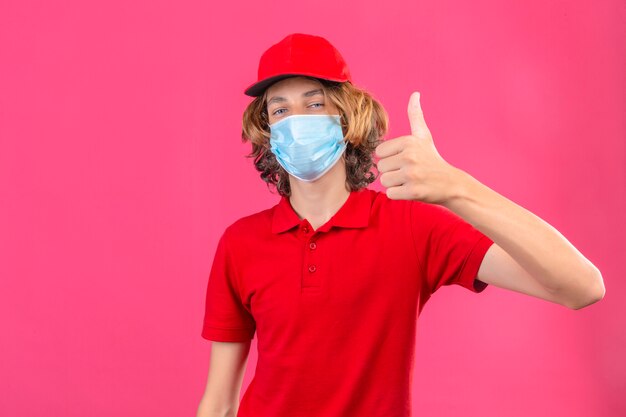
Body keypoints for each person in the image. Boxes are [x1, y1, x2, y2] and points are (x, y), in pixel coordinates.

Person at [196, 33, 605, 417]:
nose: (296, 121)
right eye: (280, 110)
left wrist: (454, 187)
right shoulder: (240, 243)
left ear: (347, 115)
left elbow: (580, 287)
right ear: (267, 130)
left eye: (315, 103)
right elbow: (218, 403)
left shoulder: (410, 226)